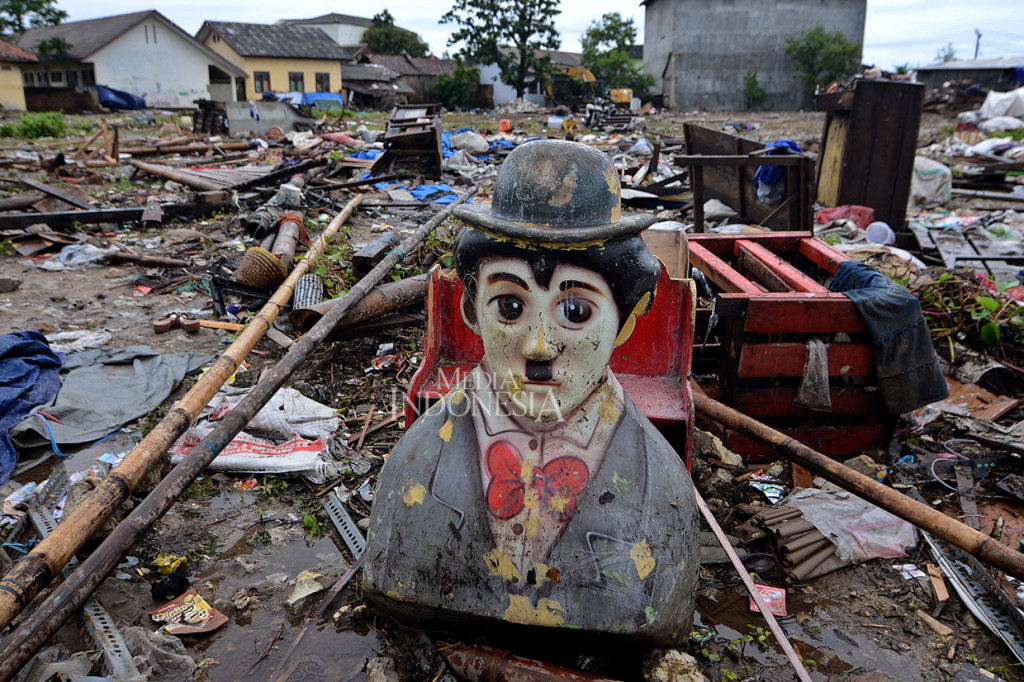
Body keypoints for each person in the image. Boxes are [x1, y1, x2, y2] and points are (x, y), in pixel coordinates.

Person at [363, 139, 698, 645]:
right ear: (472, 312)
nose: (540, 347)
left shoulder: (663, 488)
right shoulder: (412, 467)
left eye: (577, 312)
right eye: (510, 307)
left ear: (627, 320)